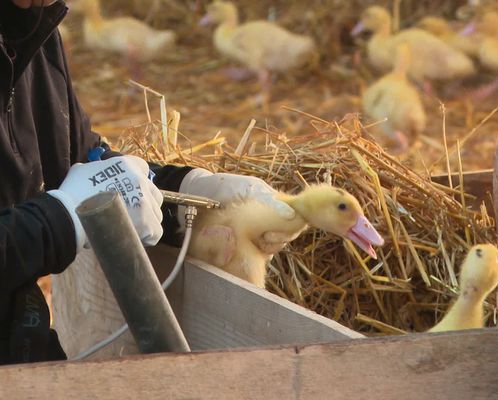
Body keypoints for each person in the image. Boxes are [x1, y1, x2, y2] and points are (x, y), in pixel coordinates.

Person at [0, 0, 296, 365]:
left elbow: (78, 156)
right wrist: (60, 219)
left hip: (21, 348)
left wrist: (185, 194)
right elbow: (65, 203)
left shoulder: (33, 29)